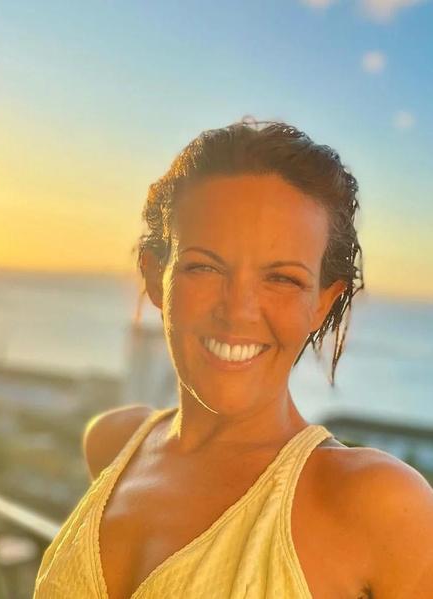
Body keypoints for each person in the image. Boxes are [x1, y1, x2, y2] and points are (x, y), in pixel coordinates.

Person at [33, 118, 433, 598]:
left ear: (322, 303)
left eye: (282, 279)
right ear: (155, 276)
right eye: (204, 267)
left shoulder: (381, 507)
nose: (238, 311)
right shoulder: (112, 443)